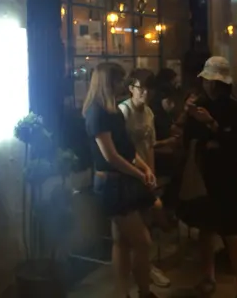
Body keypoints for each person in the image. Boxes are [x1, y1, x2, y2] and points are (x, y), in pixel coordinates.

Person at [83, 63, 158, 298]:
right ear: (108, 82)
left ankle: (122, 292)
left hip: (120, 182)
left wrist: (145, 167)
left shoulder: (112, 109)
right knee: (142, 242)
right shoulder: (97, 113)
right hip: (111, 184)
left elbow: (127, 149)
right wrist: (140, 174)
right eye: (118, 80)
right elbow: (111, 156)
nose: (122, 85)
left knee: (122, 242)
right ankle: (144, 292)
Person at [177, 57, 237, 298]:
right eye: (206, 80)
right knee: (206, 230)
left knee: (232, 233)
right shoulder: (199, 104)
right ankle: (208, 278)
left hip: (226, 177)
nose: (207, 84)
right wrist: (185, 114)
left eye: (211, 81)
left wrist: (212, 125)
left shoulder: (234, 108)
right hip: (203, 176)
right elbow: (187, 137)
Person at [119, 69, 171, 289]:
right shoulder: (123, 111)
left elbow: (150, 146)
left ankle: (145, 268)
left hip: (145, 174)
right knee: (131, 234)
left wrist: (152, 174)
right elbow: (121, 150)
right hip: (128, 174)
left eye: (150, 89)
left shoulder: (149, 112)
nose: (146, 93)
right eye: (141, 88)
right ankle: (138, 273)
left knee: (147, 220)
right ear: (131, 88)